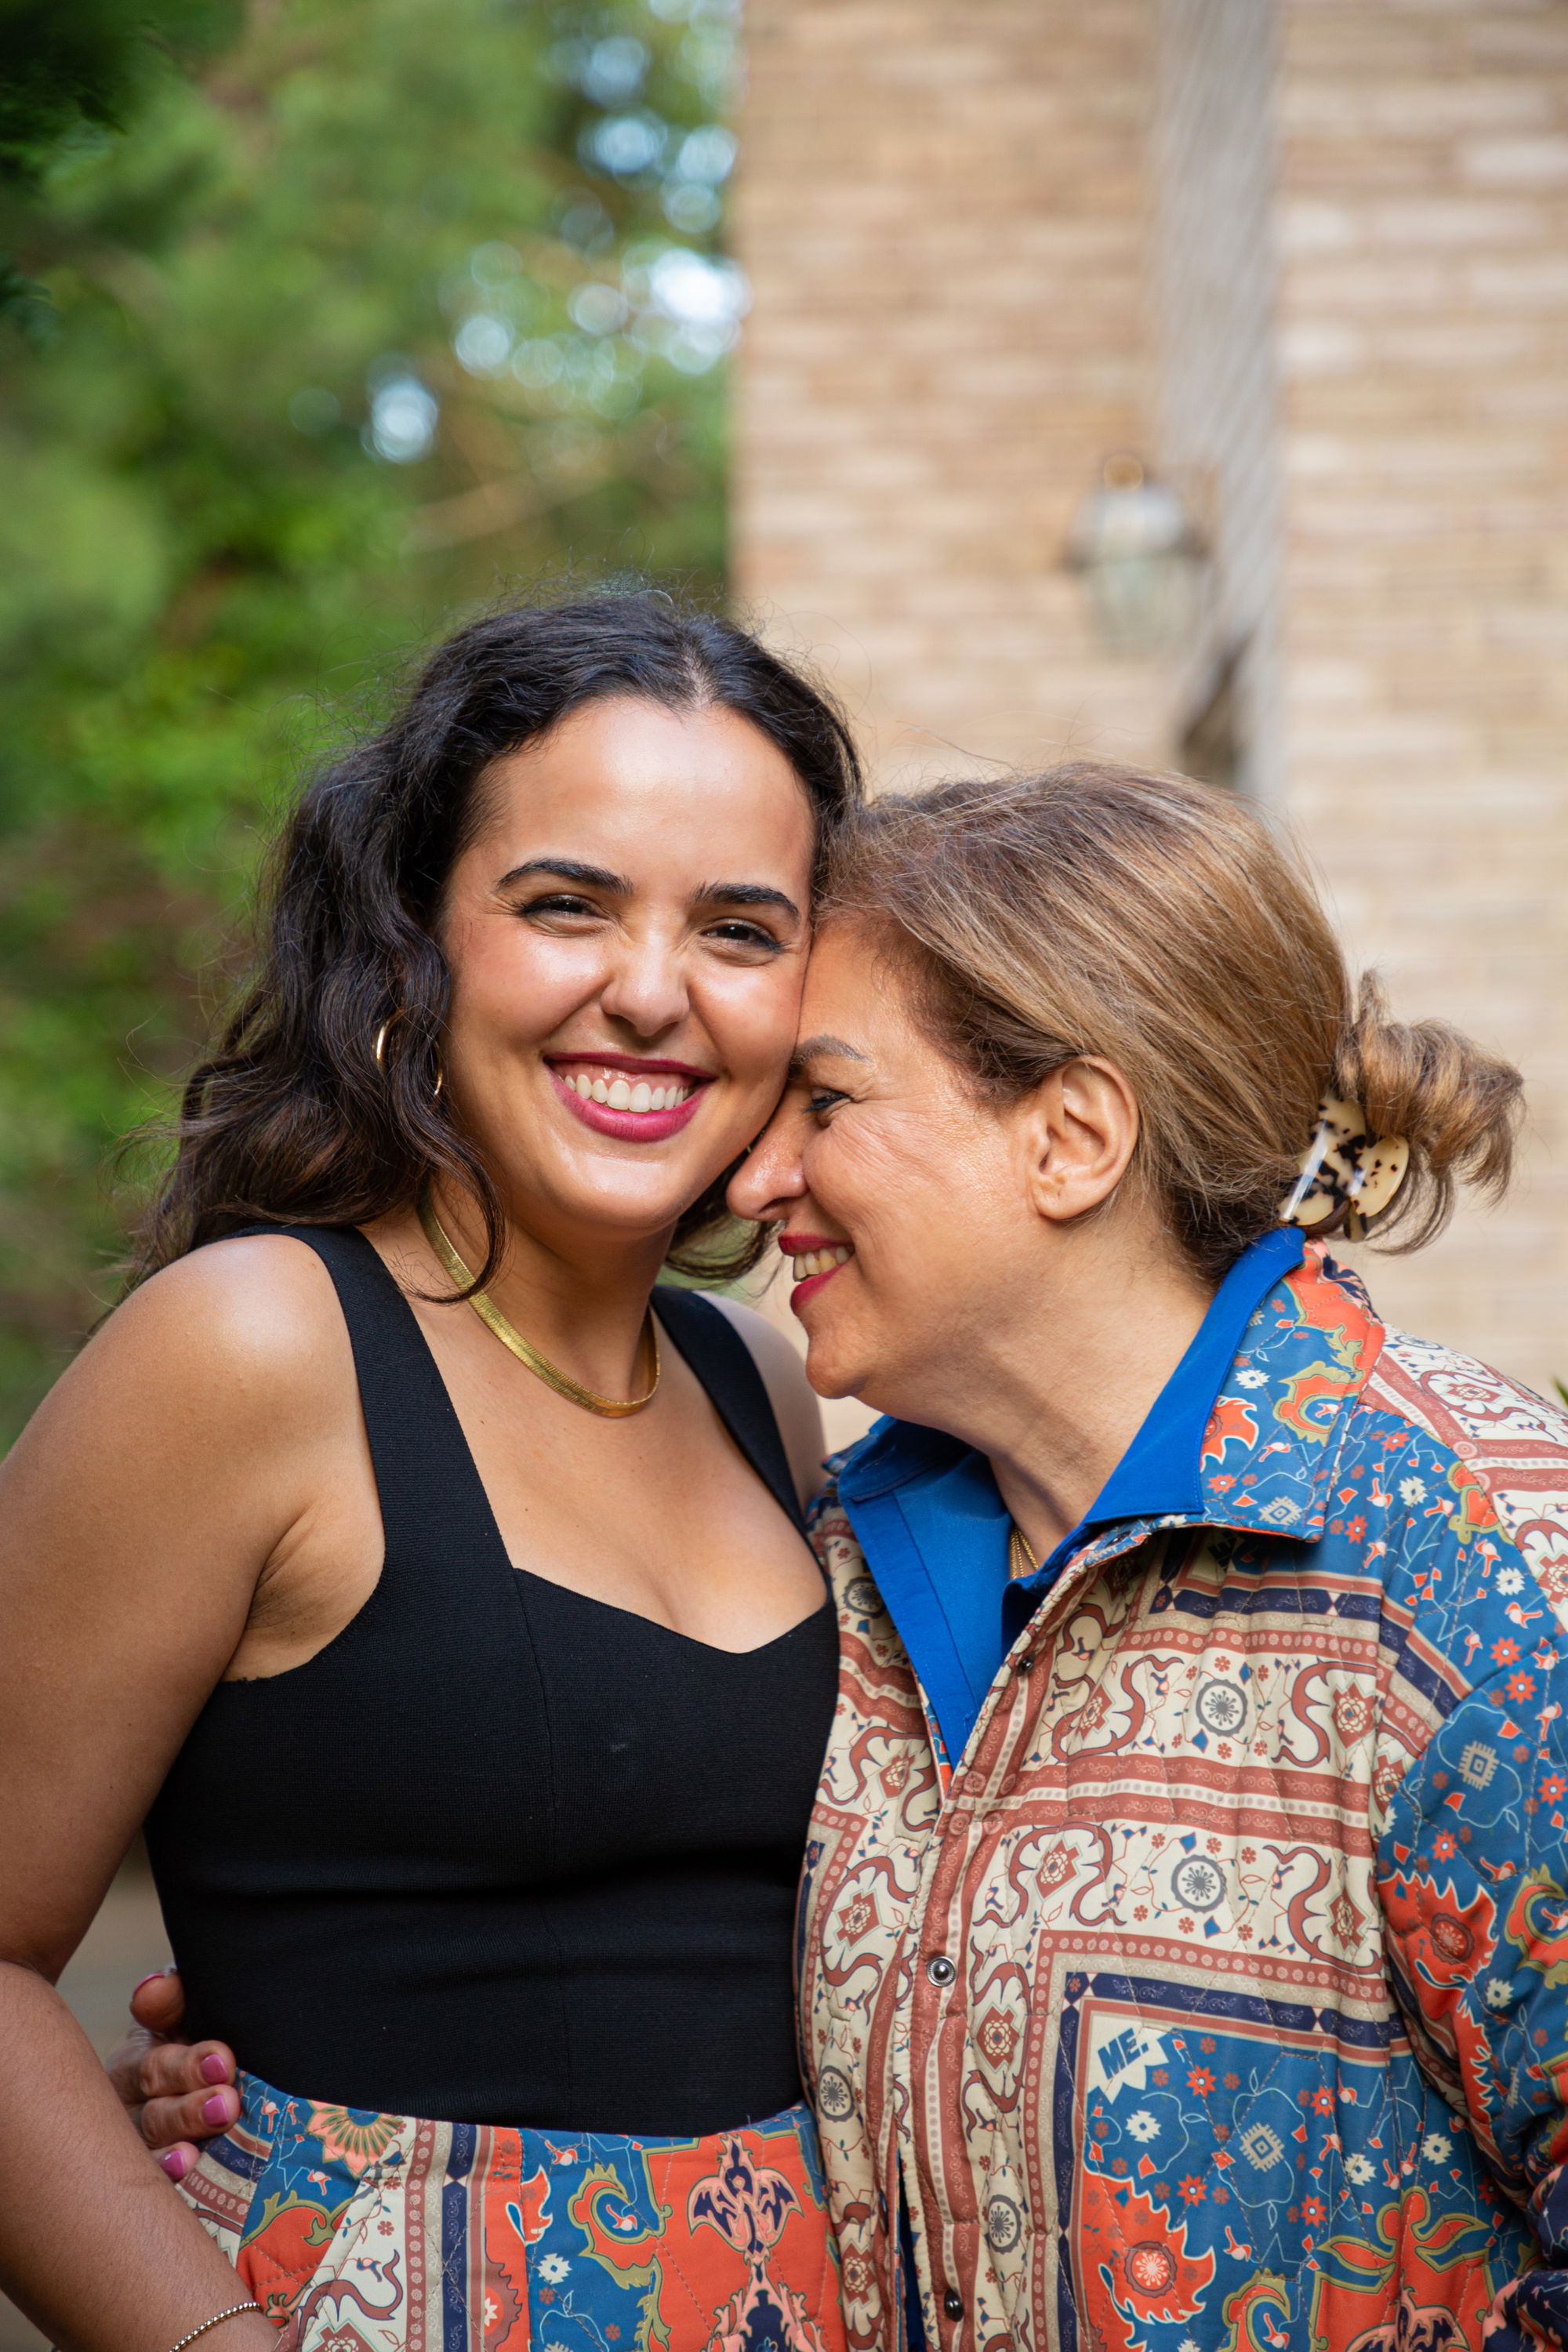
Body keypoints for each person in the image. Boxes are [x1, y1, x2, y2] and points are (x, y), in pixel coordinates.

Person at [0, 595, 861, 2352]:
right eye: (566, 905)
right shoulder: (251, 1348)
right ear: (414, 938)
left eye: (739, 930)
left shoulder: (755, 1381)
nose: (649, 991)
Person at [721, 763, 1563, 2352]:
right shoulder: (824, 1565)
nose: (757, 1178)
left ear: (1071, 1135)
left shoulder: (1478, 1555)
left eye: (823, 1103)